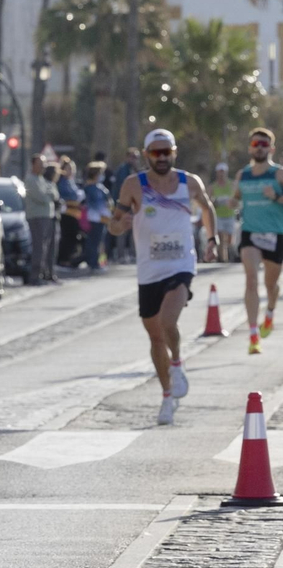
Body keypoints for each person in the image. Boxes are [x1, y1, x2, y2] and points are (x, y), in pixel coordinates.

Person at [105, 128, 218, 426]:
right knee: (155, 336)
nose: (162, 157)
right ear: (146, 156)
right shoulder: (134, 185)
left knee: (169, 321)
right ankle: (167, 396)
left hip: (181, 264)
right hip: (149, 270)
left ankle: (177, 363)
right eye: (156, 153)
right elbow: (113, 226)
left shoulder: (188, 182)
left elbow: (207, 208)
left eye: (167, 151)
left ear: (174, 152)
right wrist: (122, 224)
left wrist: (211, 239)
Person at [233, 128, 282, 354]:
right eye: (255, 144)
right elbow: (236, 198)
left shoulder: (278, 174)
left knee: (270, 285)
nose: (259, 147)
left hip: (275, 235)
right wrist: (231, 203)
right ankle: (253, 335)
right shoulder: (243, 175)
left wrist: (277, 197)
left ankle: (270, 312)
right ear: (250, 147)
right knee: (250, 280)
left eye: (264, 144)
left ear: (271, 149)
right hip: (250, 234)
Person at [24, 154, 59, 284]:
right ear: (33, 164)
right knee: (39, 247)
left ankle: (46, 273)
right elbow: (42, 197)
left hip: (47, 216)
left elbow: (54, 193)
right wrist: (49, 195)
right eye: (40, 164)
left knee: (48, 247)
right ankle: (35, 275)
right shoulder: (30, 180)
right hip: (37, 217)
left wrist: (49, 194)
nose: (43, 167)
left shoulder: (42, 179)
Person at [113, 149, 142, 263]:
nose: (134, 159)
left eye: (136, 157)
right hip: (124, 204)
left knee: (134, 230)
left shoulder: (136, 170)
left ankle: (133, 254)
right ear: (127, 157)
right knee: (123, 229)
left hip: (135, 205)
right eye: (132, 157)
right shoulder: (123, 170)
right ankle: (121, 255)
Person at [81, 160, 110, 271]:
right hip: (94, 218)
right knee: (94, 241)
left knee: (100, 241)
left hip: (102, 218)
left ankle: (99, 261)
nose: (102, 175)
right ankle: (93, 263)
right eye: (101, 173)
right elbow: (94, 205)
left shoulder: (99, 187)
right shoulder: (90, 188)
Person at [56, 156, 84, 267]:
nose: (71, 171)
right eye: (68, 169)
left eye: (72, 169)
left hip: (74, 213)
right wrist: (77, 196)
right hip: (66, 213)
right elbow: (69, 196)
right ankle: (63, 259)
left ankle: (70, 258)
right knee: (67, 237)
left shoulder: (71, 181)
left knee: (73, 237)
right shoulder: (62, 182)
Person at [210, 161, 237, 263]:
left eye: (223, 172)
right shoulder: (213, 186)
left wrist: (232, 202)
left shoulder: (232, 184)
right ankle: (223, 260)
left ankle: (231, 255)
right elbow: (208, 201)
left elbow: (237, 199)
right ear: (217, 173)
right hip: (218, 215)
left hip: (230, 215)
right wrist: (214, 202)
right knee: (221, 238)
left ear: (226, 172)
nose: (221, 174)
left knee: (230, 239)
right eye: (219, 172)